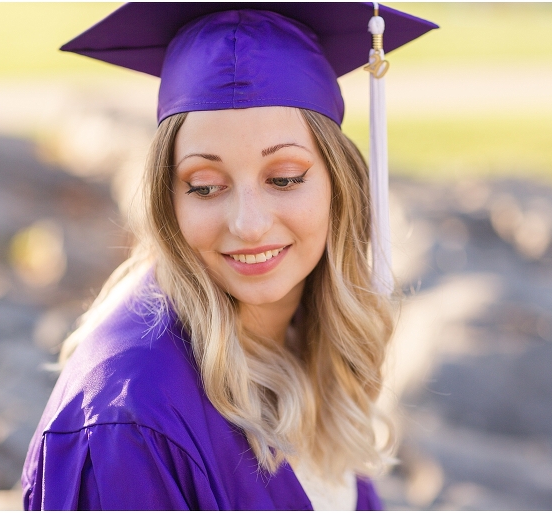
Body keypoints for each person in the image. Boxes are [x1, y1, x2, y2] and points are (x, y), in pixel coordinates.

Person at [22, 3, 436, 510]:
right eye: (205, 186)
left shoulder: (298, 334)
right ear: (167, 200)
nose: (248, 223)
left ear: (340, 185)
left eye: (284, 178)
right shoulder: (130, 421)